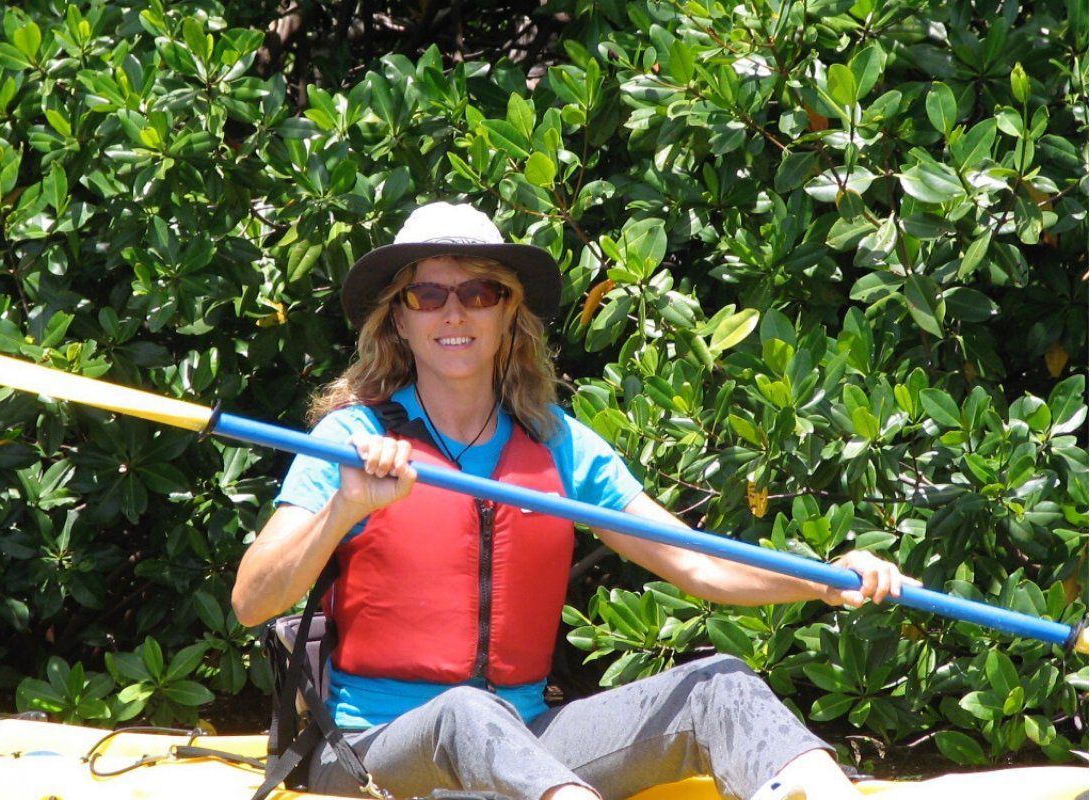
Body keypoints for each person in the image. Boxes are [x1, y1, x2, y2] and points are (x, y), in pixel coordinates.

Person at [232, 202, 916, 800]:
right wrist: (344, 509)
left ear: (508, 314)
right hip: (370, 749)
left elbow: (698, 566)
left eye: (478, 292)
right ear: (398, 324)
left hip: (527, 738)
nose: (454, 312)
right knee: (465, 711)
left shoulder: (559, 445)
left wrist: (825, 581)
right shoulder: (352, 439)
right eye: (427, 296)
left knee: (722, 682)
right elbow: (251, 602)